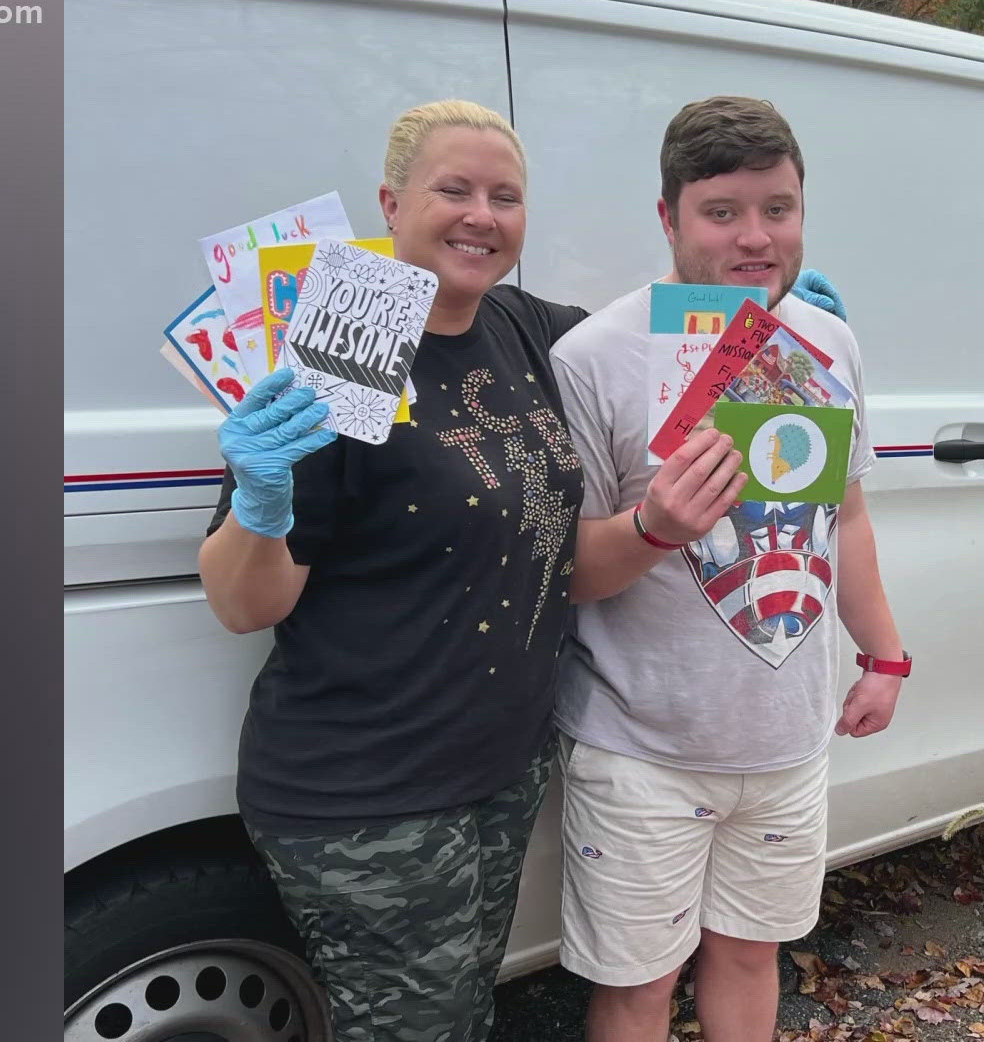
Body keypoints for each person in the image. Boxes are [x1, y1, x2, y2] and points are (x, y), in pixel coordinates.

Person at [197, 99, 844, 1042]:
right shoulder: (351, 339)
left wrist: (775, 325)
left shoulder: (524, 330)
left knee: (461, 1013)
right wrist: (261, 501)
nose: (481, 215)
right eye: (452, 189)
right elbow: (244, 604)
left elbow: (666, 336)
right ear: (391, 200)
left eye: (506, 196)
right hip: (366, 787)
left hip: (497, 769)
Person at [548, 95, 910, 1042]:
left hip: (787, 742)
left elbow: (848, 515)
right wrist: (657, 525)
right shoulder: (592, 359)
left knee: (752, 957)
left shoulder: (827, 343)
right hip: (640, 751)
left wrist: (883, 654)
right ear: (667, 218)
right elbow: (569, 572)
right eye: (722, 212)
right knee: (637, 989)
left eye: (778, 208)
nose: (756, 237)